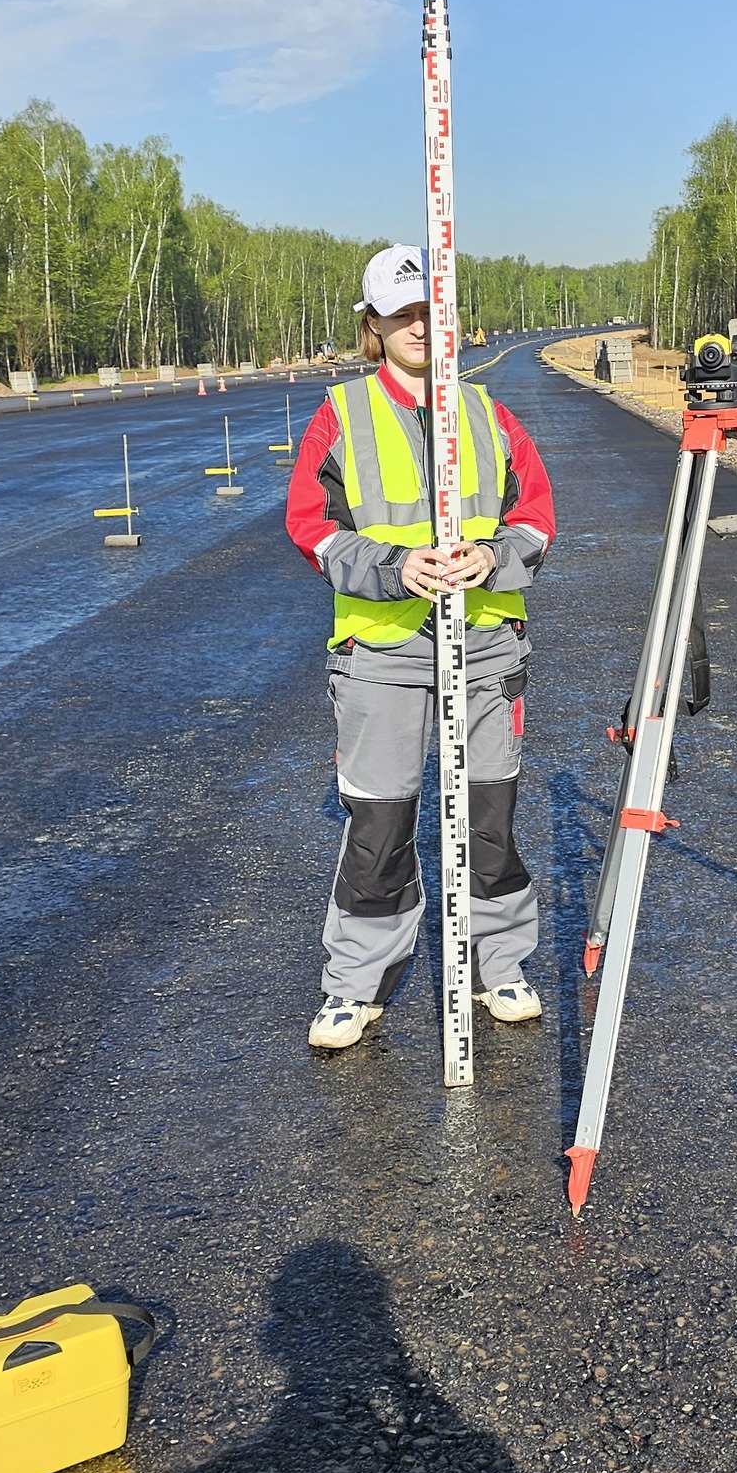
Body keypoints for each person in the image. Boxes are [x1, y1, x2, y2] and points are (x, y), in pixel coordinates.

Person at [286, 245, 557, 1051]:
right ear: (372, 325)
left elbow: (534, 516)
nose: (417, 326)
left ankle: (499, 964)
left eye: (428, 311)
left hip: (484, 646)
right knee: (379, 824)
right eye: (401, 313)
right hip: (382, 651)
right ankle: (355, 984)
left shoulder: (490, 416)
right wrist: (396, 567)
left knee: (490, 816)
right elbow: (313, 528)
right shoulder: (342, 414)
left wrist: (489, 557)